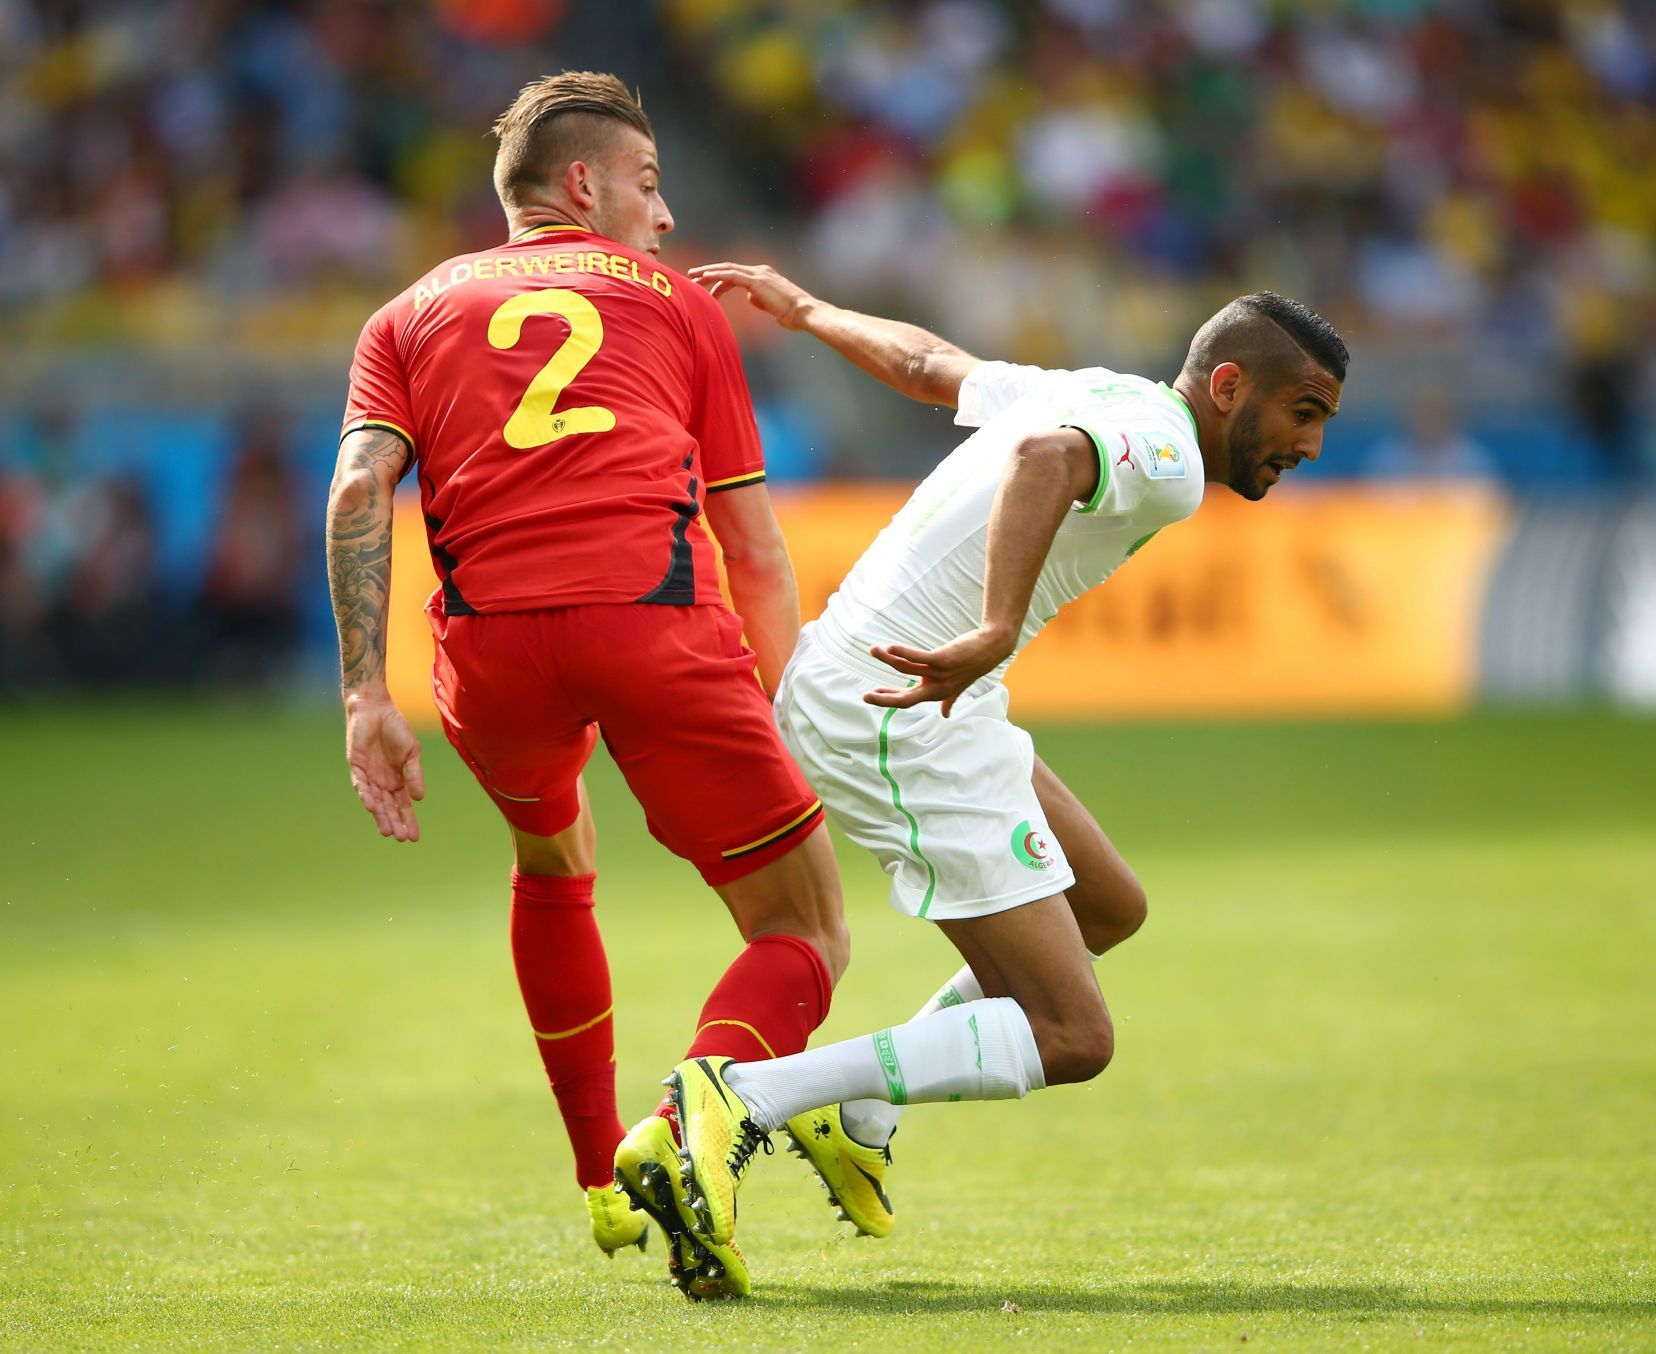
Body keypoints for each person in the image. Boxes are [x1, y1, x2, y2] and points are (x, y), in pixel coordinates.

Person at [641, 260, 1346, 1256]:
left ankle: (860, 1119)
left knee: (1109, 906)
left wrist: (811, 312)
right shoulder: (1167, 454)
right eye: (1303, 411)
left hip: (915, 692)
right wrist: (995, 626)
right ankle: (742, 1093)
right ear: (1228, 385)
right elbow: (1047, 462)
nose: (1311, 445)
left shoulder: (1100, 391)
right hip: (897, 705)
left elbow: (934, 365)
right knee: (1073, 1035)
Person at [323, 74, 851, 1300]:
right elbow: (755, 547)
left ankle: (598, 1182)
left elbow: (357, 494)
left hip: (489, 651)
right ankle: (692, 1120)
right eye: (650, 187)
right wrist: (784, 707)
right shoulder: (679, 303)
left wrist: (364, 694)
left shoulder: (402, 313)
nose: (664, 219)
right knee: (804, 926)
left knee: (554, 862)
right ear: (584, 186)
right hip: (652, 622)